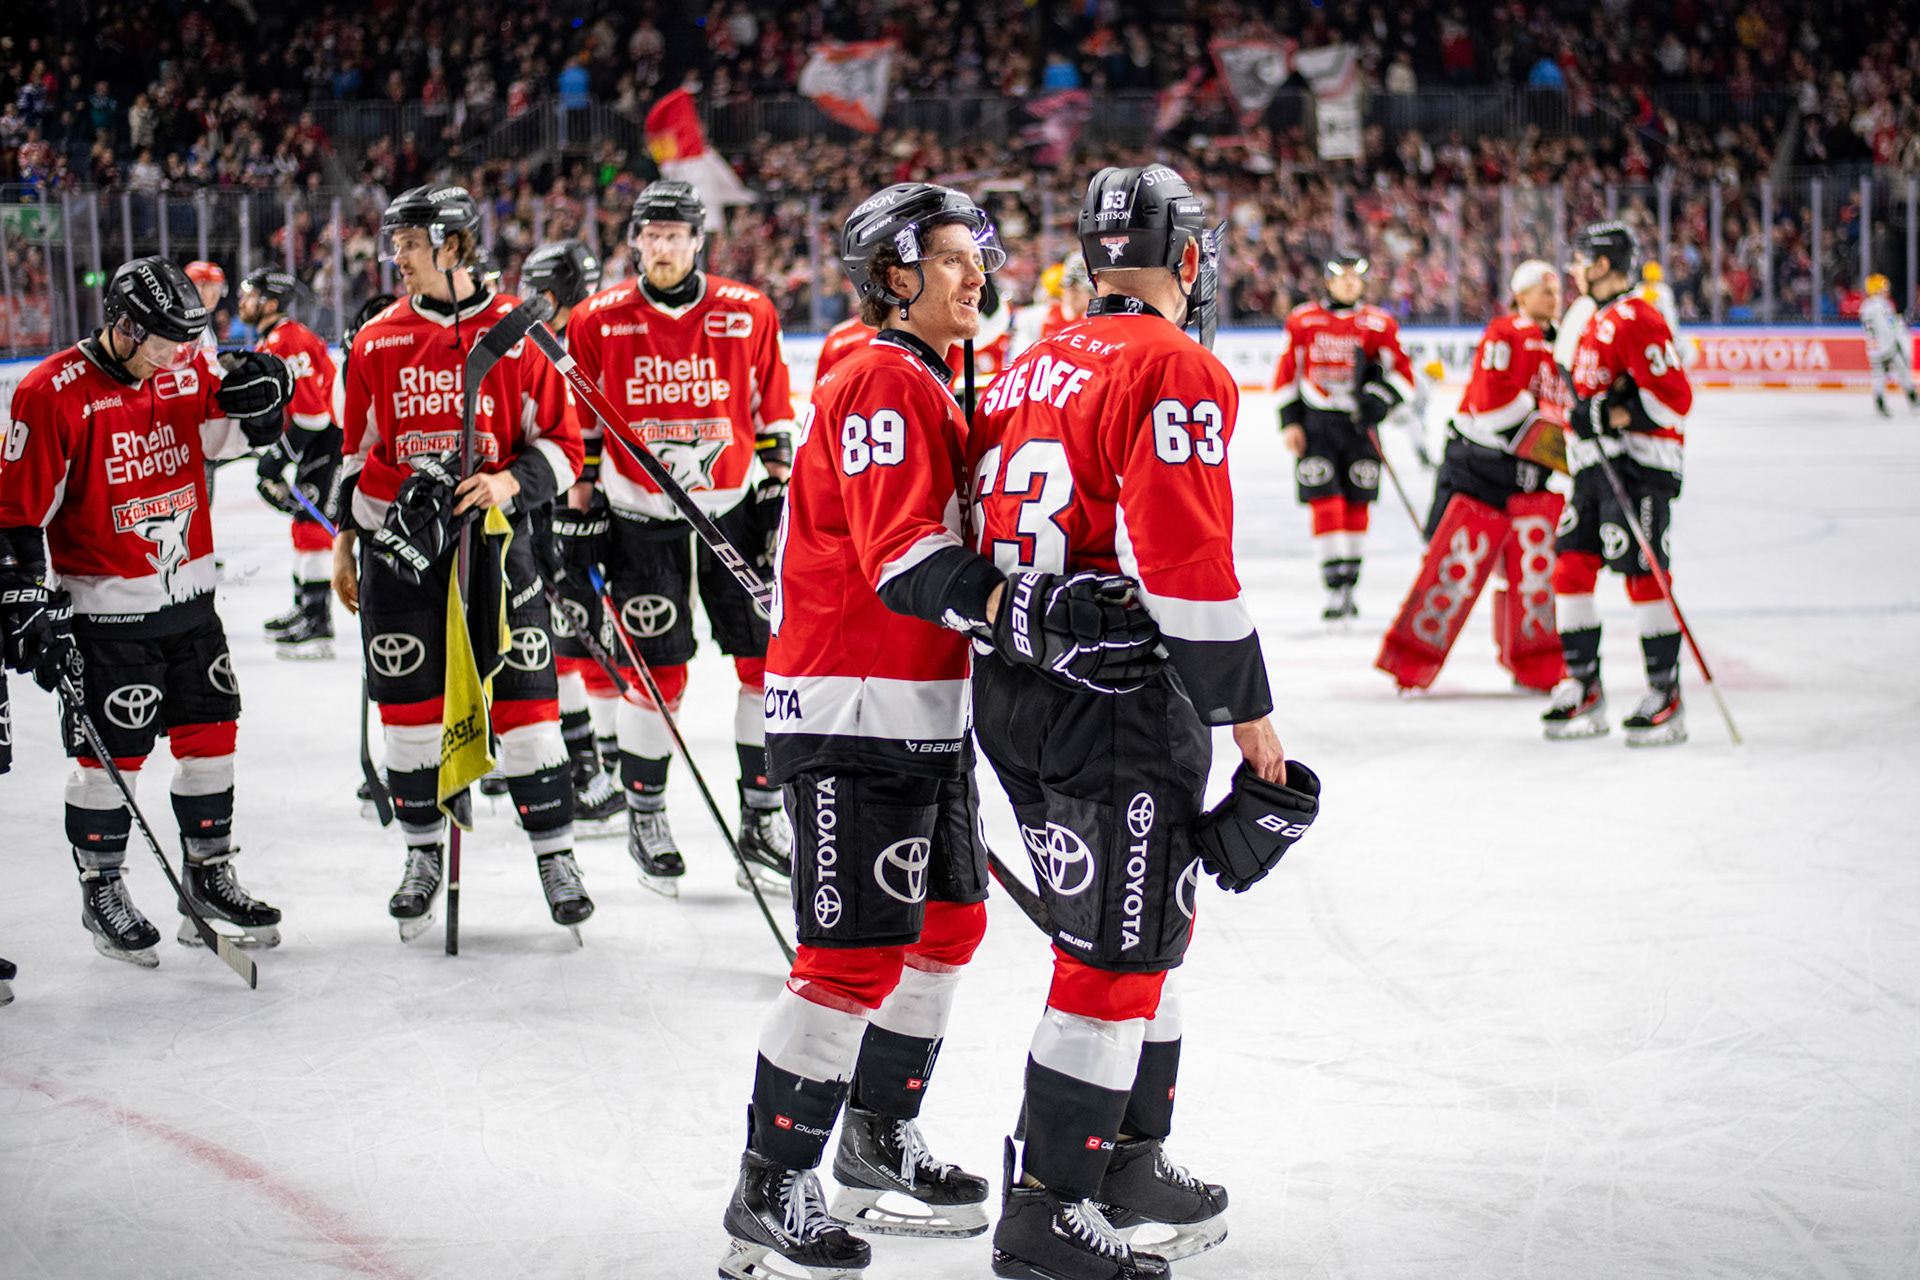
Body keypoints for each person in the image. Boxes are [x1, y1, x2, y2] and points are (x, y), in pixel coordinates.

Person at [718, 182, 1162, 1280]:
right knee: (851, 956)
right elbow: (904, 555)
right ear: (896, 274)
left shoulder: (926, 374)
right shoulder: (878, 375)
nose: (981, 273)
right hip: (852, 708)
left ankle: (874, 1135)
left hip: (920, 706)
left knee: (949, 925)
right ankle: (769, 1185)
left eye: (983, 255)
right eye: (957, 258)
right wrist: (1036, 615)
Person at [971, 163, 1295, 1280]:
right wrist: (1249, 712)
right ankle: (1049, 1205)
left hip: (1017, 687)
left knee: (1137, 926)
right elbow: (1186, 559)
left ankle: (1125, 1158)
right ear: (1191, 257)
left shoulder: (1027, 359)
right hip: (1116, 701)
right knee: (1114, 952)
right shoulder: (1178, 365)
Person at [0, 256, 292, 965]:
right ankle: (102, 889)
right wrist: (26, 600)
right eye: (165, 340)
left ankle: (209, 877)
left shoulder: (184, 371)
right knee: (109, 761)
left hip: (191, 603)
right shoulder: (50, 393)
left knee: (212, 738)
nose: (178, 355)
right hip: (106, 613)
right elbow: (16, 513)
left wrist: (271, 397)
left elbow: (239, 431)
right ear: (124, 327)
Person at [331, 185, 593, 939]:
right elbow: (353, 459)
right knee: (410, 723)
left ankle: (555, 855)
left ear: (452, 244)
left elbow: (563, 446)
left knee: (531, 719)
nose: (396, 260)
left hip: (502, 553)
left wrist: (508, 479)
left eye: (409, 245)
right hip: (402, 558)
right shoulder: (377, 340)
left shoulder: (521, 331)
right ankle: (420, 854)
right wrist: (351, 540)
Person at [565, 181, 795, 894]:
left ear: (699, 240)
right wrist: (580, 508)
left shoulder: (748, 309)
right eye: (651, 234)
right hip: (640, 519)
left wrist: (775, 490)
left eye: (676, 234)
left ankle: (759, 822)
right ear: (634, 240)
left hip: (728, 510)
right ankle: (646, 814)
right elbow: (584, 426)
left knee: (764, 667)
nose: (663, 246)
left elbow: (772, 408)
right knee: (657, 676)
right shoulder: (596, 319)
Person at [1377, 259, 1571, 692]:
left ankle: (1535, 667)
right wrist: (1557, 438)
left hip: (1532, 480)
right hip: (1480, 469)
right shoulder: (1507, 332)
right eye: (1543, 289)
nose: (1553, 297)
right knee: (1453, 569)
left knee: (1534, 575)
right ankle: (1411, 664)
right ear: (1520, 295)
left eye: (1556, 290)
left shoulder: (1568, 345)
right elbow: (1493, 402)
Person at [1547, 221, 1693, 745]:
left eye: (1583, 258)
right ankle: (1584, 685)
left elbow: (1675, 397)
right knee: (1569, 566)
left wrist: (1609, 414)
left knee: (1642, 574)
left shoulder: (1636, 318)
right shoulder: (1596, 318)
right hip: (1593, 470)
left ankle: (1666, 694)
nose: (1575, 268)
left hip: (1636, 468)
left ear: (1604, 264)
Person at [515, 239, 625, 829]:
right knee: (563, 640)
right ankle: (586, 765)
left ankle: (598, 764)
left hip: (588, 511)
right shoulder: (540, 343)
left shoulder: (584, 337)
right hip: (553, 508)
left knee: (582, 640)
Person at [1274, 252, 1416, 622]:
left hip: (1359, 427)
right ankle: (1333, 585)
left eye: (1357, 277)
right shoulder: (1304, 320)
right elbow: (1287, 371)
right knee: (1326, 501)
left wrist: (1380, 401)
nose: (1350, 283)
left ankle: (1349, 584)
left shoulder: (1379, 322)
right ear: (1328, 281)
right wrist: (1289, 420)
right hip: (1317, 425)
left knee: (1356, 502)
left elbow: (1402, 373)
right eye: (1343, 277)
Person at [241, 267, 341, 660]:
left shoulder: (287, 340)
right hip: (318, 437)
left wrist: (275, 459)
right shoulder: (277, 339)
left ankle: (318, 623)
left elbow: (313, 415)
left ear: (270, 303)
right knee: (304, 526)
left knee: (313, 527)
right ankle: (306, 609)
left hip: (329, 438)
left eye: (250, 295)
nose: (242, 302)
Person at [1861, 273, 1917, 416]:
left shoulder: (1865, 306)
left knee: (1878, 376)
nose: (1886, 291)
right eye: (1883, 288)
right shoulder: (1881, 305)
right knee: (1902, 370)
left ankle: (1879, 401)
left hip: (1873, 348)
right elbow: (1888, 326)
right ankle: (1912, 398)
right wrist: (1901, 323)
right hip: (1888, 346)